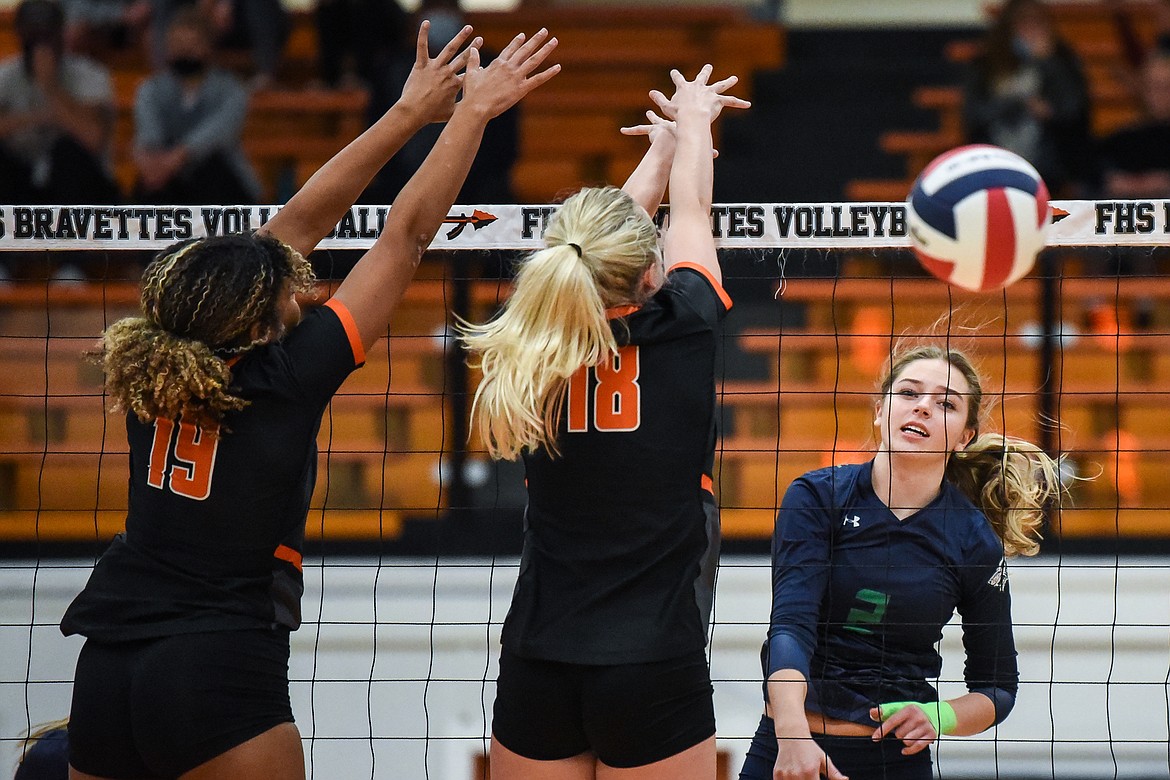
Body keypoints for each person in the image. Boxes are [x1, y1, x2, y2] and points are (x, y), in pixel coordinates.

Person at [57, 21, 558, 779]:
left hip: (106, 674)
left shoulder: (150, 361)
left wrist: (403, 113)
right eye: (288, 294)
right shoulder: (284, 379)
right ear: (255, 324)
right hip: (218, 673)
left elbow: (277, 243)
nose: (303, 285)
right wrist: (471, 114)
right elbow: (408, 236)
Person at [460, 65, 749, 779]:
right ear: (651, 268)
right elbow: (694, 217)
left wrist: (666, 148)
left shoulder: (533, 343)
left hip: (538, 655)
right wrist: (692, 131)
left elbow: (604, 249)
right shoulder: (685, 325)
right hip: (651, 660)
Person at [738, 343, 1063, 780]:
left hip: (893, 763)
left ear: (965, 435)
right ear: (880, 410)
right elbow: (790, 627)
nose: (923, 407)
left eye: (945, 403)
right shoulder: (818, 497)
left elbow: (998, 687)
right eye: (909, 393)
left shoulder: (971, 539)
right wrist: (794, 739)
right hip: (791, 749)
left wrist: (939, 717)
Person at [131, 7, 261, 204]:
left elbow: (219, 133)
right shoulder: (151, 89)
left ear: (209, 47)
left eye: (192, 45)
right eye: (178, 45)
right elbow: (149, 136)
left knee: (211, 171)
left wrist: (178, 157)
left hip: (220, 180)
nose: (184, 51)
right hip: (165, 178)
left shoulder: (231, 89)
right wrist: (152, 162)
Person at [962, 0, 1091, 196]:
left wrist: (1047, 62)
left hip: (1050, 170)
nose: (1030, 31)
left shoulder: (1062, 61)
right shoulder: (986, 64)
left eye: (1037, 23)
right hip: (995, 163)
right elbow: (974, 116)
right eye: (1023, 23)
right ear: (1008, 28)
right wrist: (1014, 102)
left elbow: (1076, 113)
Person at [0, 0, 120, 205]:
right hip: (22, 181)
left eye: (46, 37)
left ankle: (73, 235)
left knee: (67, 153)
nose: (40, 46)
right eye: (33, 36)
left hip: (79, 190)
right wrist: (43, 117)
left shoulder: (91, 75)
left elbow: (93, 137)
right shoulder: (6, 76)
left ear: (60, 34)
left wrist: (50, 87)